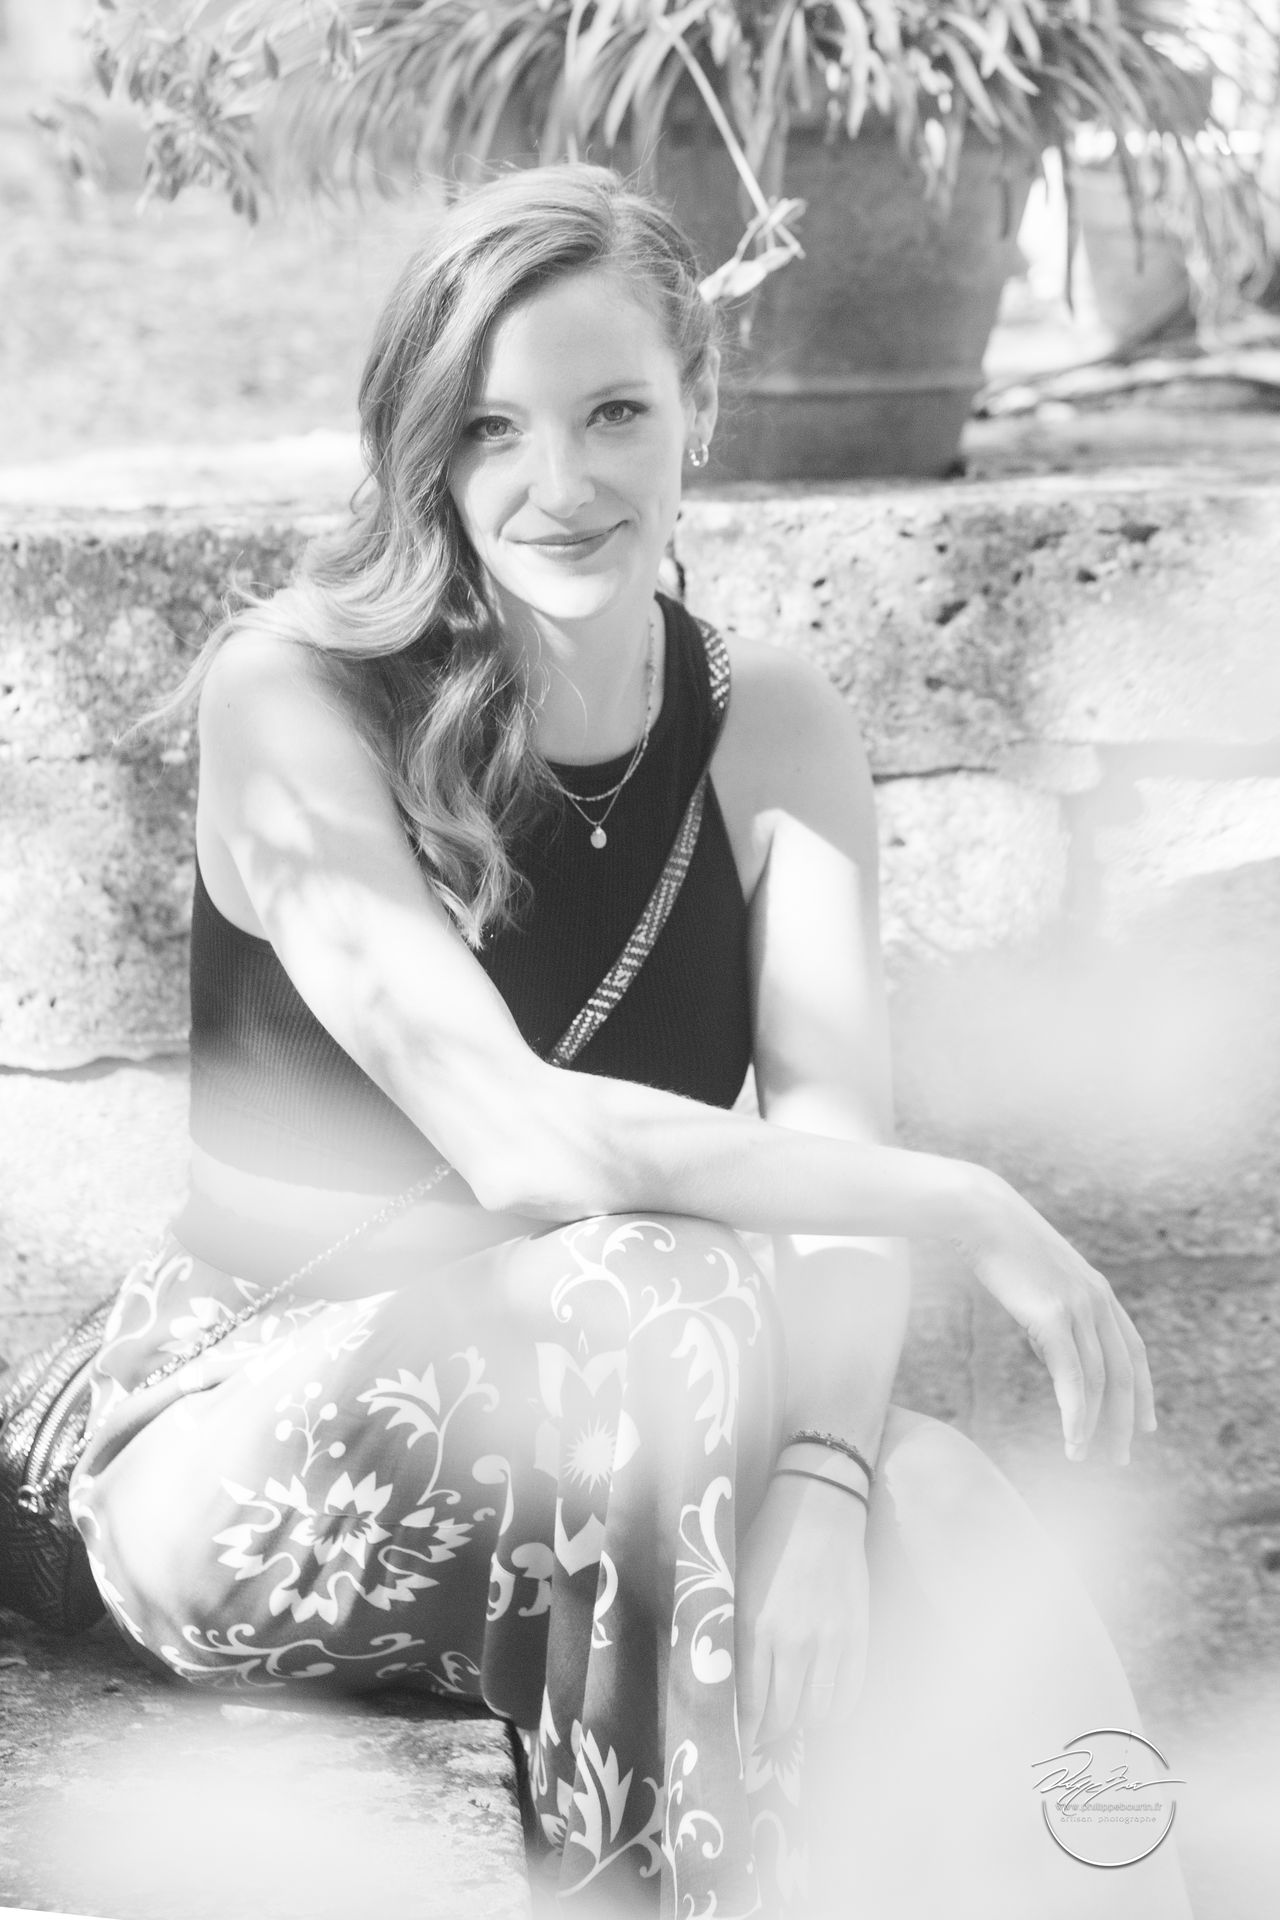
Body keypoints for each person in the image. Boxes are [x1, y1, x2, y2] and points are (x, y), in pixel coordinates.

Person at [69, 164, 1192, 1920]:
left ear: (698, 409)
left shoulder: (772, 724)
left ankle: (1146, 1895)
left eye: (613, 414)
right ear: (424, 453)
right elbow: (520, 1139)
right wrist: (960, 1199)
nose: (562, 482)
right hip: (238, 1450)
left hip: (624, 1437)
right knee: (655, 1277)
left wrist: (823, 1481)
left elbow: (826, 1161)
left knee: (946, 1506)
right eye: (492, 429)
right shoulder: (291, 698)